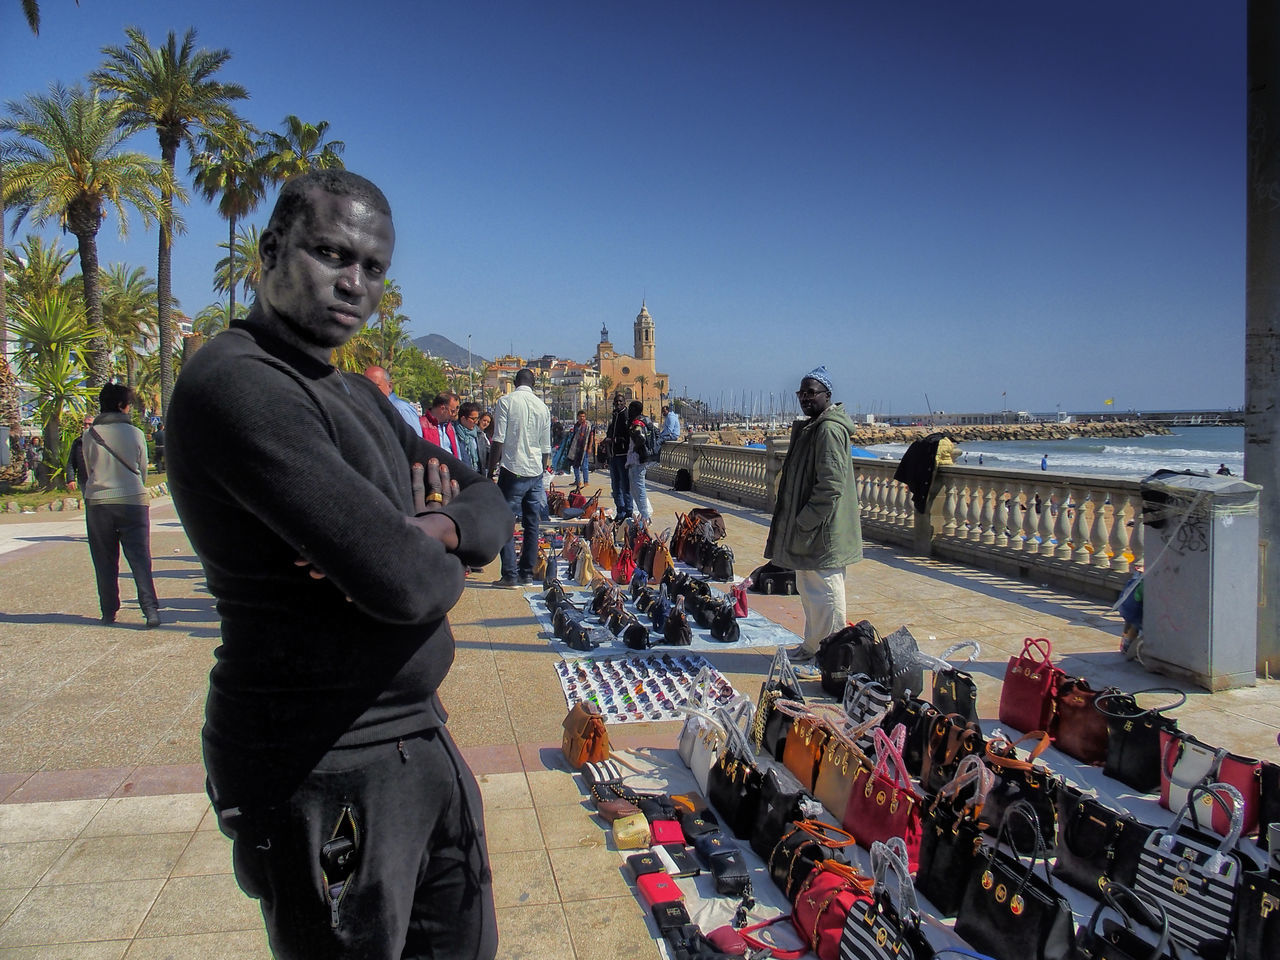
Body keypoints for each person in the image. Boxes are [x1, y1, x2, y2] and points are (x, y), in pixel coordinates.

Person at [165, 170, 508, 960]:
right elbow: (407, 585)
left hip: (416, 742)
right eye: (331, 253)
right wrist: (426, 550)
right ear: (271, 250)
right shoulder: (239, 384)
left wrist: (426, 530)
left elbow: (488, 507)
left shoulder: (355, 393)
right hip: (320, 760)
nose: (355, 282)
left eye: (375, 267)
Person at [764, 366, 862, 671]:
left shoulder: (829, 429)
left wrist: (806, 520)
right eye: (801, 393)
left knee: (827, 592)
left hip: (823, 531)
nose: (805, 398)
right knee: (808, 589)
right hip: (808, 529)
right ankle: (812, 645)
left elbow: (830, 486)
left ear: (827, 395)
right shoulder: (813, 426)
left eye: (812, 392)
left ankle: (830, 654)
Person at [82, 383, 161, 628]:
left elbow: (88, 469)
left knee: (104, 560)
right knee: (140, 558)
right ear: (121, 406)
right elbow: (143, 470)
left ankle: (108, 611)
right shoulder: (135, 433)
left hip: (99, 502)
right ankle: (150, 611)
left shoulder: (90, 435)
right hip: (133, 501)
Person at [488, 367, 551, 588]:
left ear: (515, 382)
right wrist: (541, 473)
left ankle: (509, 575)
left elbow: (498, 440)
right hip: (535, 471)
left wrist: (490, 469)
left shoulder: (506, 402)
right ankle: (526, 574)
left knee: (506, 521)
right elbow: (546, 448)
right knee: (532, 524)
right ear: (533, 384)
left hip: (513, 469)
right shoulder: (543, 407)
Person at [363, 364, 424, 437]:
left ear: (389, 386)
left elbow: (415, 443)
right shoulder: (370, 408)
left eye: (375, 386)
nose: (369, 389)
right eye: (365, 385)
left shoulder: (401, 409)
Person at [625, 400, 656, 520]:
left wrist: (637, 448)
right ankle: (643, 516)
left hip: (636, 460)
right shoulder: (646, 421)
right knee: (636, 490)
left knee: (639, 490)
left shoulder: (636, 423)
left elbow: (640, 439)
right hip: (641, 460)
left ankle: (645, 518)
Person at [603, 393, 632, 516]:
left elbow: (627, 437)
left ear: (624, 402)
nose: (618, 404)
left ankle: (628, 512)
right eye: (616, 402)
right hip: (613, 456)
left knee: (625, 486)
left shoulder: (625, 416)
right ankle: (620, 511)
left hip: (623, 455)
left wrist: (613, 440)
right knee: (615, 487)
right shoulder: (615, 415)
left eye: (620, 401)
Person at [455, 401, 490, 475]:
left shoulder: (479, 434)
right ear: (463, 419)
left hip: (478, 474)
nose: (476, 422)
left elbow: (487, 453)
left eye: (477, 418)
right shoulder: (454, 434)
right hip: (462, 475)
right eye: (473, 419)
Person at [422, 393, 461, 458]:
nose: (455, 413)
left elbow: (457, 453)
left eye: (458, 409)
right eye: (453, 411)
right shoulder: (422, 425)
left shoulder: (449, 427)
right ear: (442, 409)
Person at [65, 412, 95, 491]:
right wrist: (70, 479)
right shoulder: (78, 442)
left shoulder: (102, 442)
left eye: (90, 424)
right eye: (85, 424)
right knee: (88, 502)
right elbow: (71, 462)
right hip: (84, 480)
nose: (87, 426)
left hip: (100, 481)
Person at [564, 409, 594, 486]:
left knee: (585, 466)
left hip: (584, 449)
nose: (582, 418)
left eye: (583, 416)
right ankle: (577, 481)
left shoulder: (588, 426)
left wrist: (590, 447)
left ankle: (586, 481)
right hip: (575, 449)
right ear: (578, 417)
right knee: (575, 465)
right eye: (580, 416)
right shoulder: (576, 426)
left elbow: (591, 437)